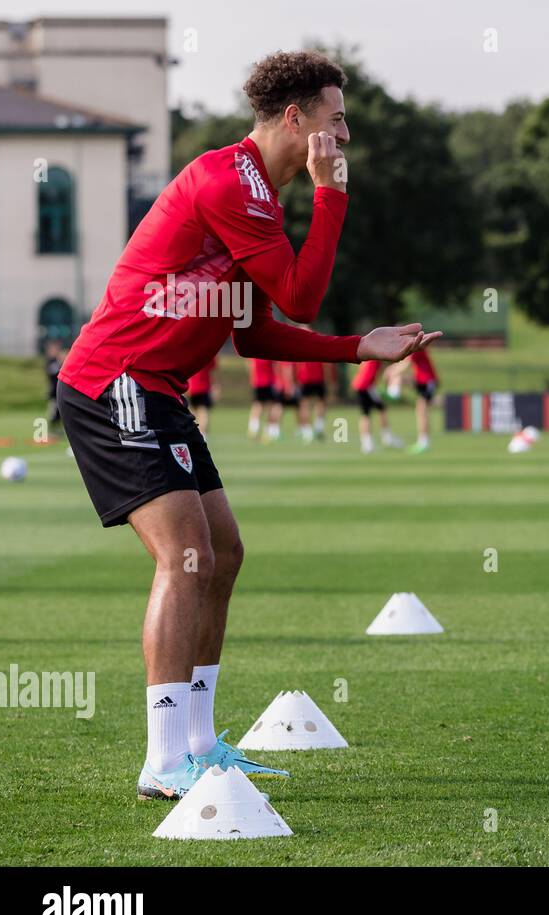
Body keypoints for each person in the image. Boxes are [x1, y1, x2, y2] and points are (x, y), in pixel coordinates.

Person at [55, 50, 439, 801]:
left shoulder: (256, 191)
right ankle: (164, 761)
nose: (345, 137)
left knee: (223, 552)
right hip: (116, 380)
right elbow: (299, 294)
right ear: (295, 119)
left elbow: (256, 332)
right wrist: (333, 196)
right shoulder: (234, 183)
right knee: (188, 555)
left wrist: (357, 346)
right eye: (336, 120)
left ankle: (200, 745)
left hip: (157, 388)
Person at [352, 359, 402, 453]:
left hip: (362, 385)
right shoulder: (375, 357)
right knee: (377, 411)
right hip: (366, 386)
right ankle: (385, 439)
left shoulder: (370, 357)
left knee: (367, 414)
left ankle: (368, 443)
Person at [408, 349, 439, 454]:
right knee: (422, 410)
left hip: (428, 382)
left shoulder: (416, 348)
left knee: (422, 410)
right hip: (422, 382)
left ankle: (424, 442)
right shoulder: (413, 347)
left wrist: (392, 372)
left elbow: (405, 364)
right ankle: (423, 441)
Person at [246, 358, 279, 441]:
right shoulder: (267, 354)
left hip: (258, 382)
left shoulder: (253, 355)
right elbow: (275, 367)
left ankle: (253, 429)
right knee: (269, 408)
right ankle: (269, 431)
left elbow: (250, 366)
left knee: (257, 406)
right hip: (268, 382)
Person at [295, 360, 328, 441]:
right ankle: (318, 426)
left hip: (305, 378)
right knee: (320, 403)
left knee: (305, 405)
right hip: (318, 377)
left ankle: (308, 430)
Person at [187, 356, 217, 434]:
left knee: (193, 413)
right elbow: (213, 370)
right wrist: (215, 385)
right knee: (203, 411)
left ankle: (196, 434)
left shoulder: (189, 352)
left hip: (191, 387)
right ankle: (203, 436)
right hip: (203, 387)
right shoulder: (209, 352)